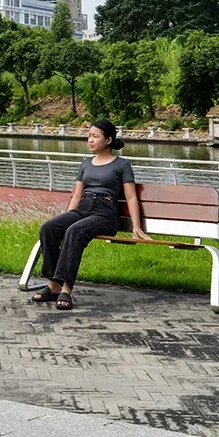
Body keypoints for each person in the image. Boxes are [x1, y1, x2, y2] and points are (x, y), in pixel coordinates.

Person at [31, 119, 151, 310]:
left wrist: (136, 226)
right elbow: (77, 195)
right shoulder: (86, 164)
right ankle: (54, 284)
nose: (90, 140)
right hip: (83, 207)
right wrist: (67, 218)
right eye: (89, 136)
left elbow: (131, 198)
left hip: (105, 212)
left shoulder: (122, 165)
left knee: (75, 231)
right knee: (49, 228)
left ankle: (66, 290)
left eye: (95, 136)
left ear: (109, 140)